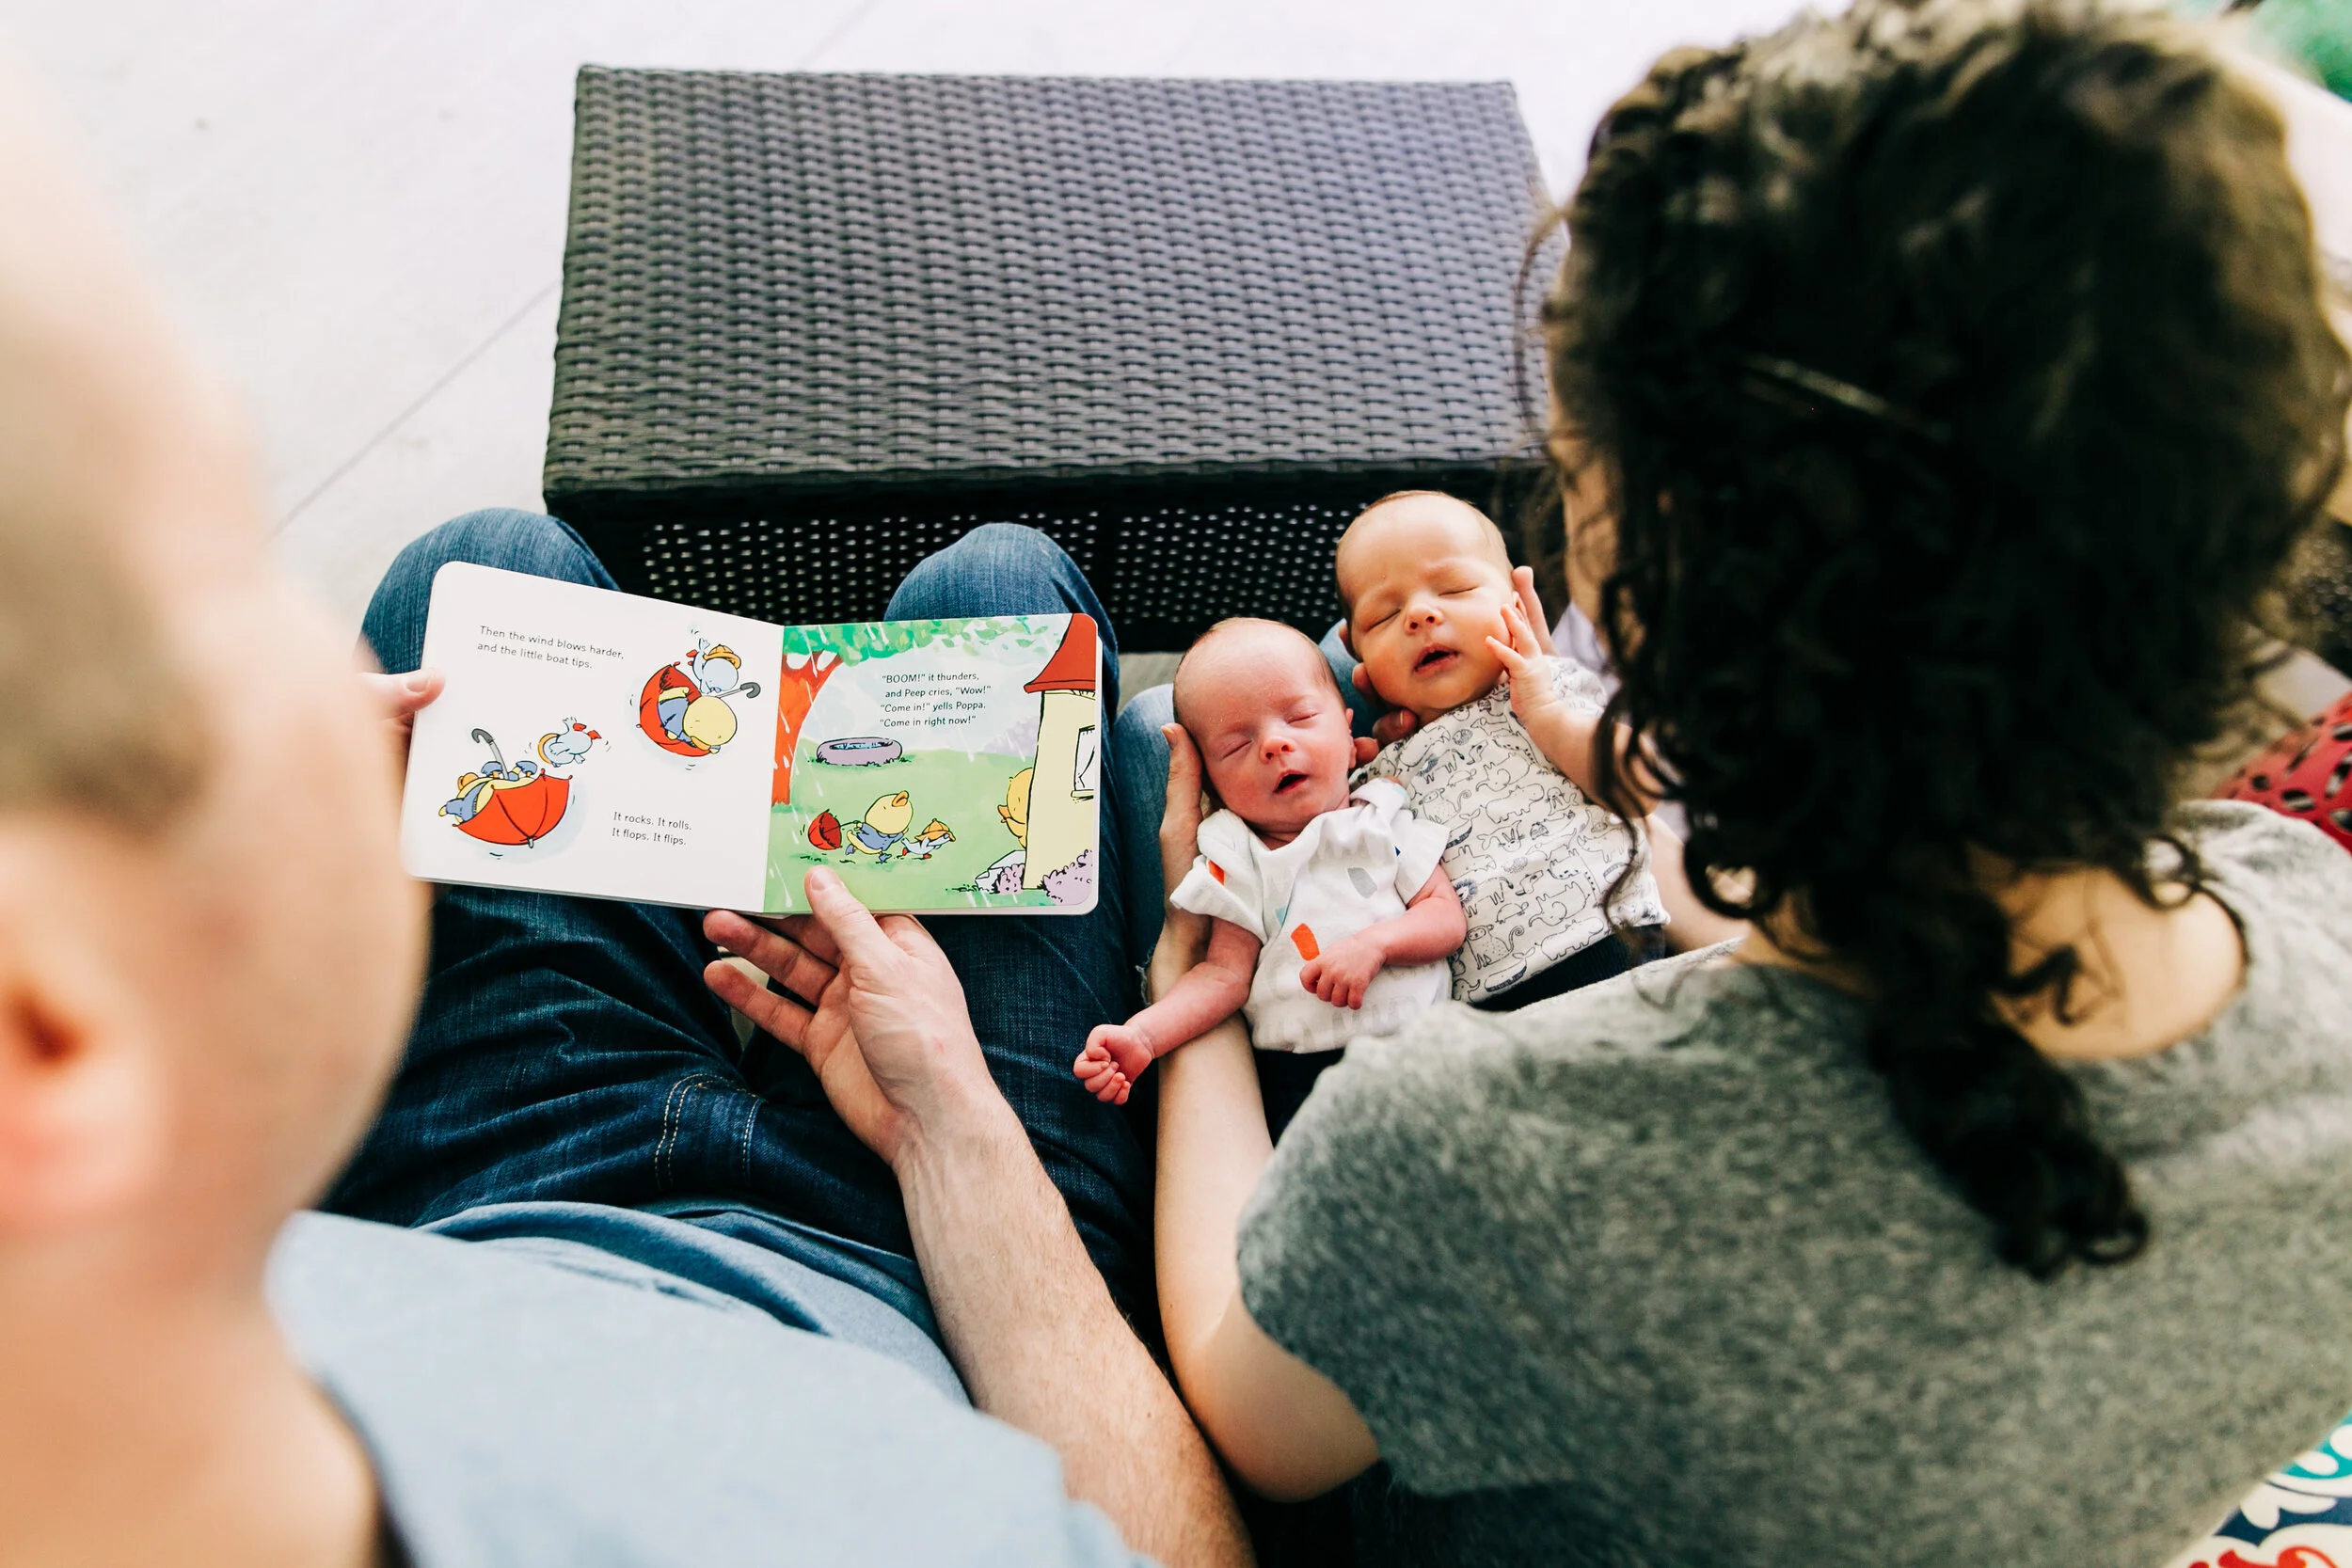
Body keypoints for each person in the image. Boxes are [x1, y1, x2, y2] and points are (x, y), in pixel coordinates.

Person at [1113, 1, 2352, 1561]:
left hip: (1339, 1407)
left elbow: (1244, 1411)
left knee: (1052, 668)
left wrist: (1193, 972)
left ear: (1622, 602)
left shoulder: (1490, 1148)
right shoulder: (2320, 926)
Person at [0, 62, 1247, 1567]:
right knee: (995, 590)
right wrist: (951, 1132)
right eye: (235, 594)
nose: (325, 673)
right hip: (950, 1266)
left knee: (477, 567)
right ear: (55, 1036)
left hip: (487, 1184)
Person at [1071, 619, 1464, 1133]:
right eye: (1236, 746)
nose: (1274, 744)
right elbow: (1223, 977)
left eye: (1300, 718)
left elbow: (1444, 916)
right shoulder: (1240, 859)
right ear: (1211, 786)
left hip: (1434, 1050)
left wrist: (1377, 946)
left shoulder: (1383, 816)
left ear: (1351, 738)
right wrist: (1144, 1037)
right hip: (1301, 1079)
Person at [1335, 489, 1676, 1006]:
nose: (1420, 615)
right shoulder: (1383, 771)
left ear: (1516, 606)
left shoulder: (1547, 688)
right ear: (1355, 652)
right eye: (1383, 617)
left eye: (1454, 588)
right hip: (1483, 1003)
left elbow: (1642, 787)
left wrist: (1545, 713)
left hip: (1612, 945)